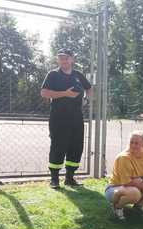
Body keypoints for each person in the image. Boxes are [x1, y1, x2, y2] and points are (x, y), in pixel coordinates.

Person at [41, 48, 92, 189]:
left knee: (76, 146)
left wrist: (86, 100)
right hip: (58, 118)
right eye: (61, 58)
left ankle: (70, 178)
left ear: (72, 59)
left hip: (76, 117)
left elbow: (89, 88)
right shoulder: (53, 74)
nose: (63, 60)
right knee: (58, 146)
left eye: (66, 58)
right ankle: (54, 179)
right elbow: (44, 93)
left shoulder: (78, 75)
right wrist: (65, 94)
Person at [105, 131, 143, 220]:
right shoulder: (123, 158)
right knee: (135, 193)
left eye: (136, 143)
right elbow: (126, 183)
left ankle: (139, 206)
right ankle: (117, 207)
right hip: (116, 188)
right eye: (131, 142)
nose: (133, 145)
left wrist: (142, 179)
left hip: (136, 185)